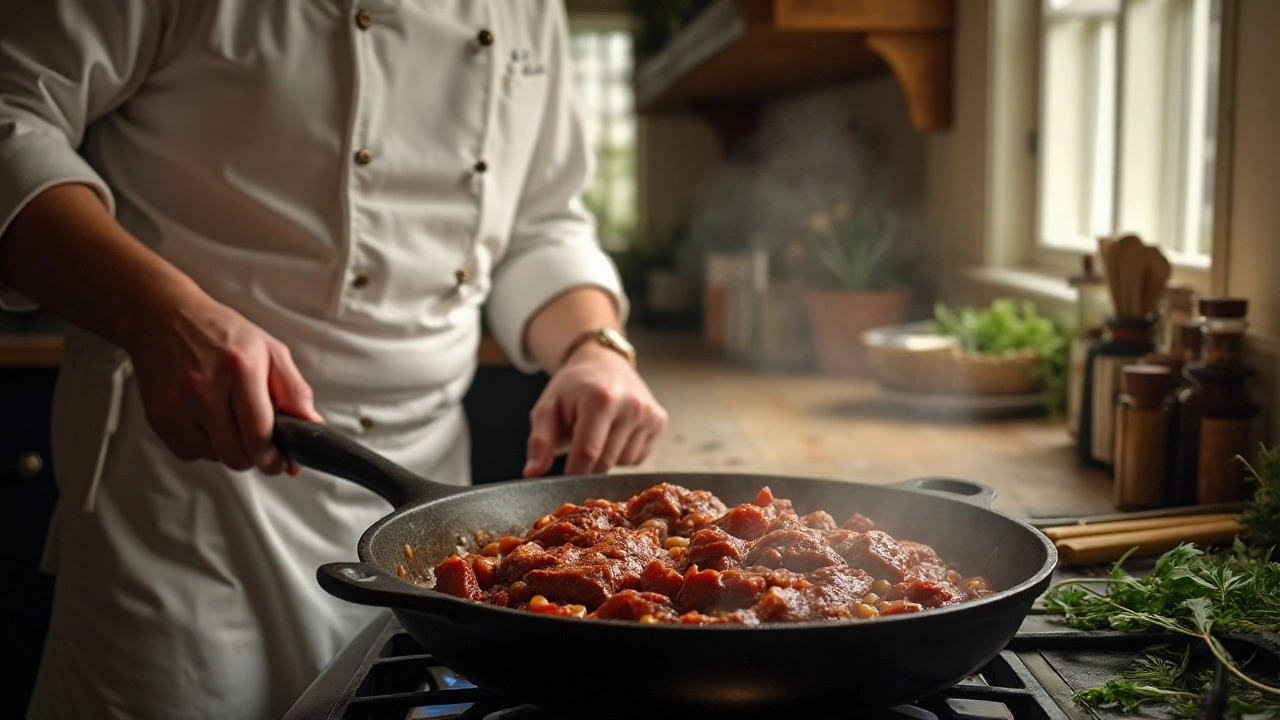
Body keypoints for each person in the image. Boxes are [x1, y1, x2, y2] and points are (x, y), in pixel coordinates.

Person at [0, 2, 668, 718]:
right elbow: (12, 119)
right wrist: (158, 313)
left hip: (428, 509)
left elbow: (543, 221)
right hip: (193, 481)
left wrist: (594, 346)